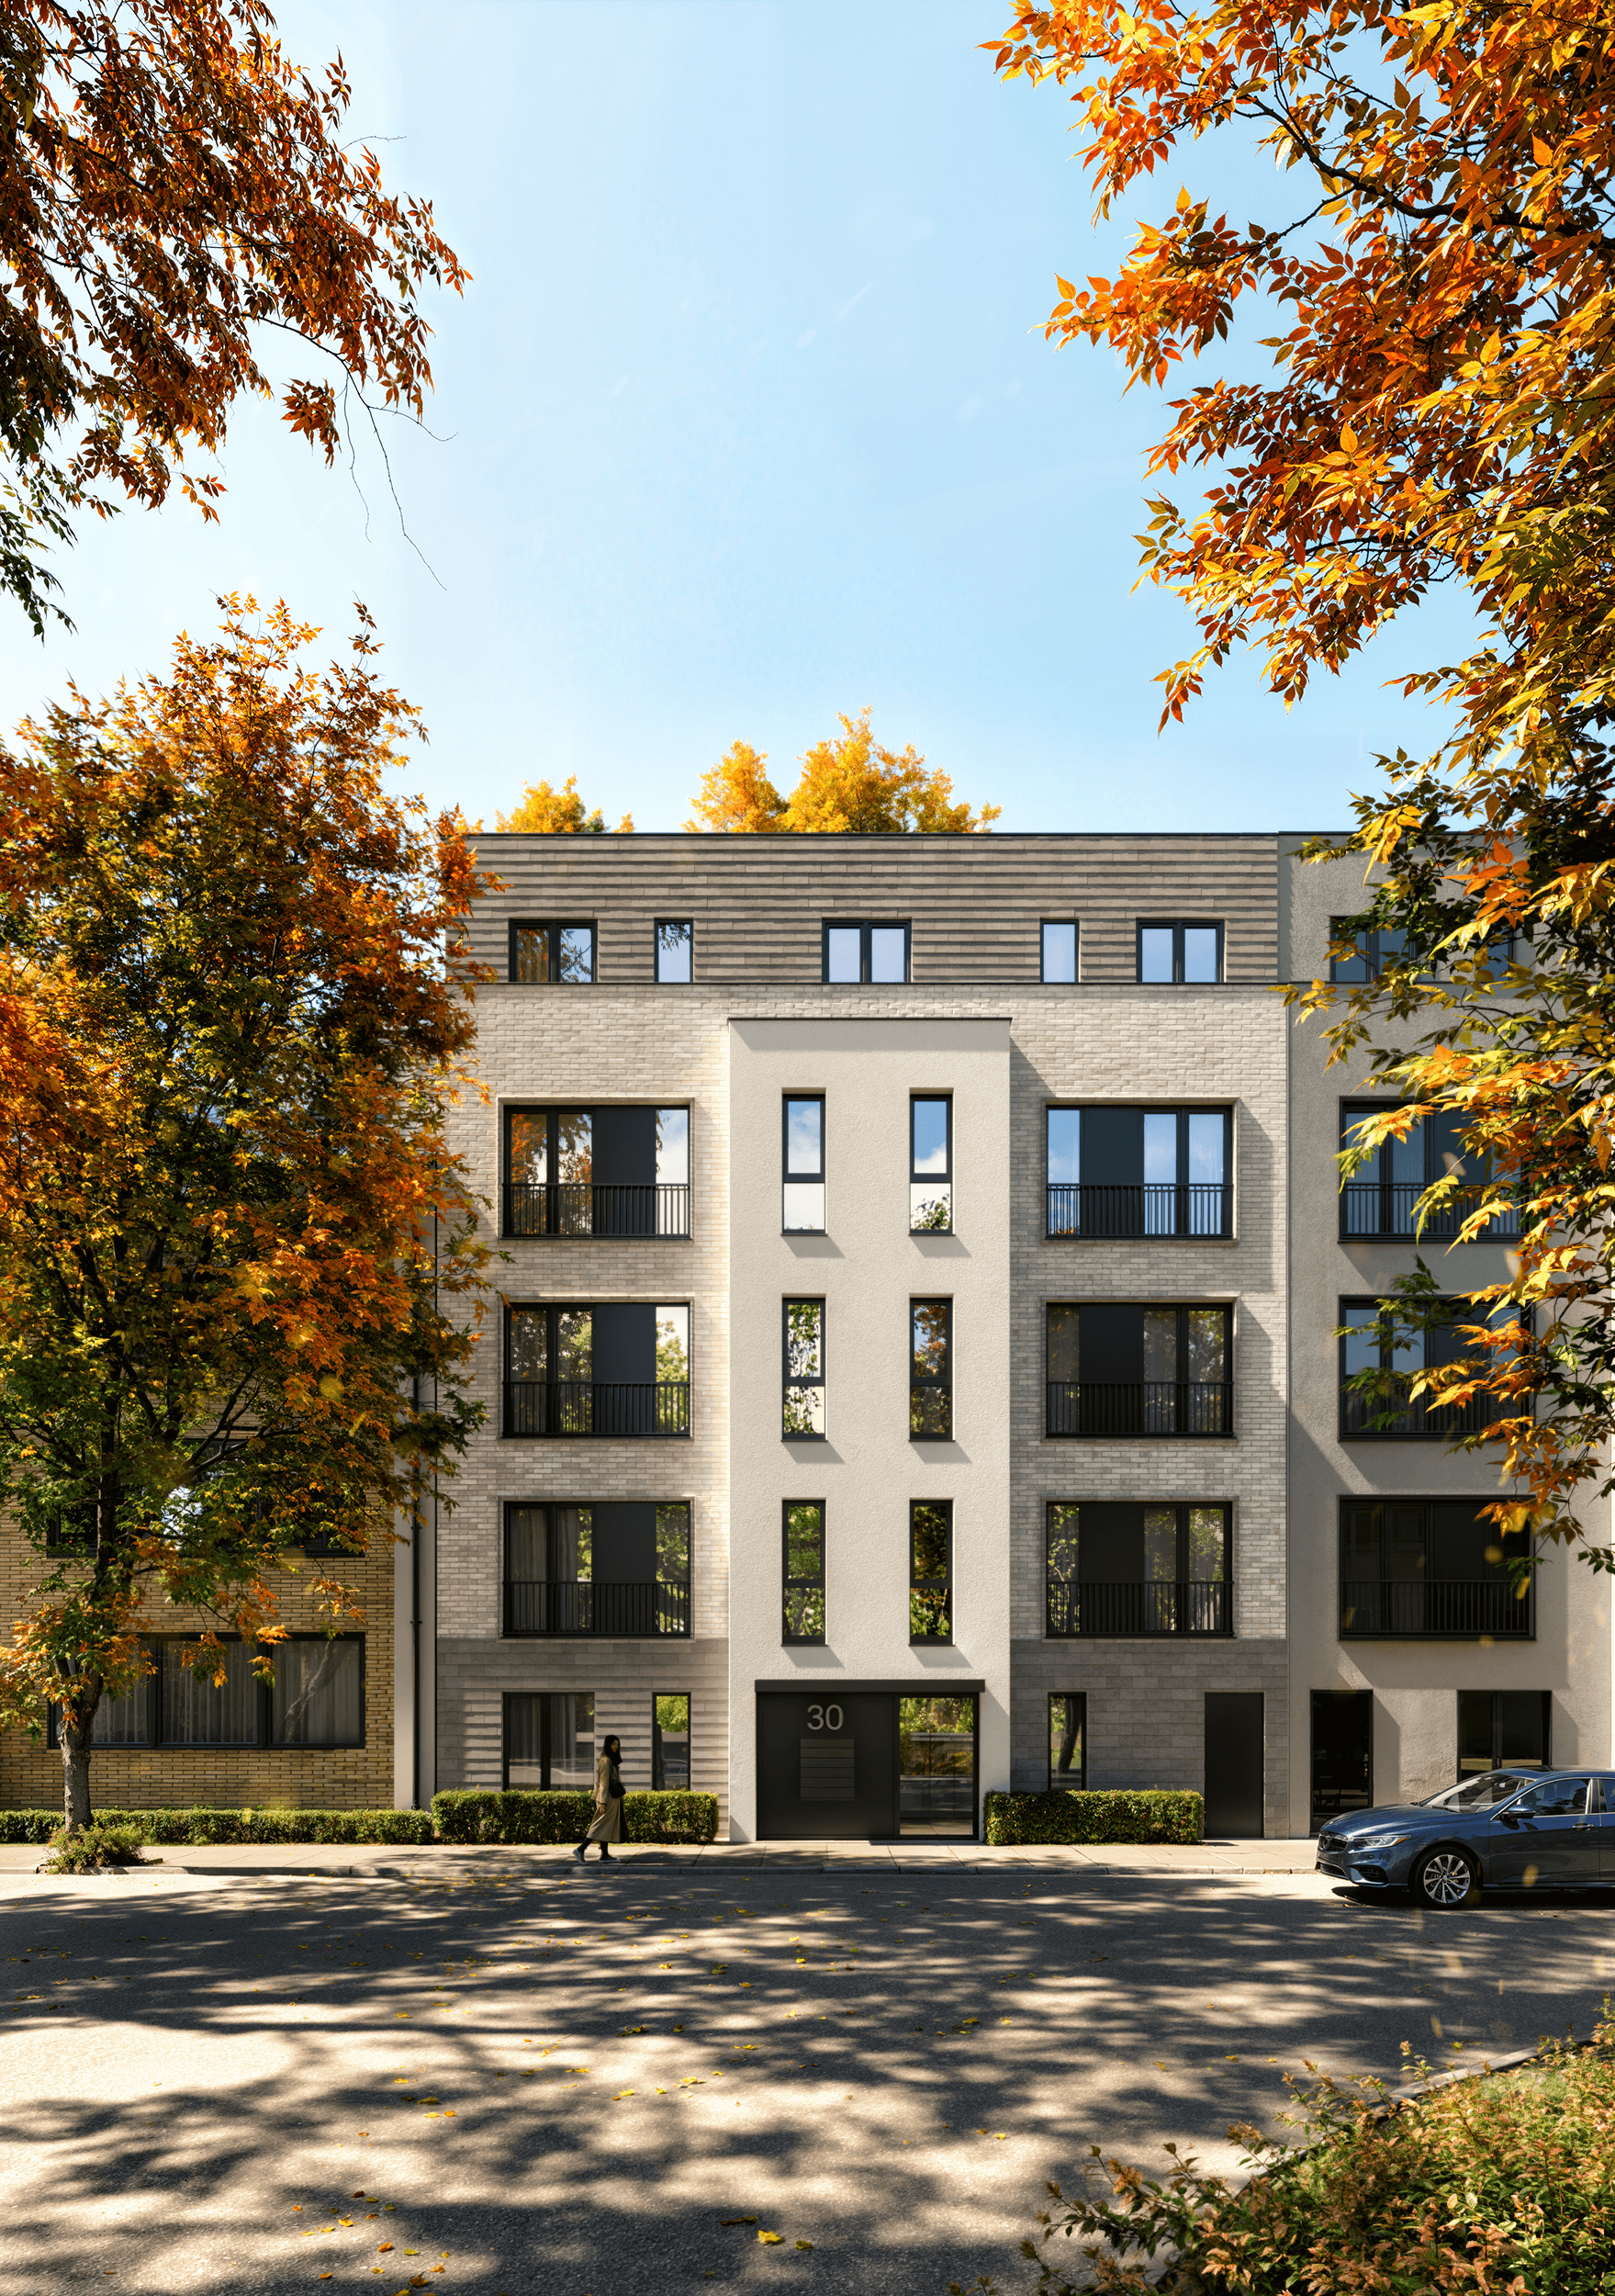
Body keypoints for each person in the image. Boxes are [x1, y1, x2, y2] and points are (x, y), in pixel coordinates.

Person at [574, 1734, 623, 1863]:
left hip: (611, 1798)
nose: (616, 1747)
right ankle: (581, 1849)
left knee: (605, 1826)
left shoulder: (609, 1759)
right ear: (608, 1745)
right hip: (607, 1799)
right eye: (613, 1744)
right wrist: (602, 1801)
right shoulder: (606, 1760)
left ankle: (604, 1854)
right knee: (599, 1824)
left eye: (617, 1744)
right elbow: (603, 1782)